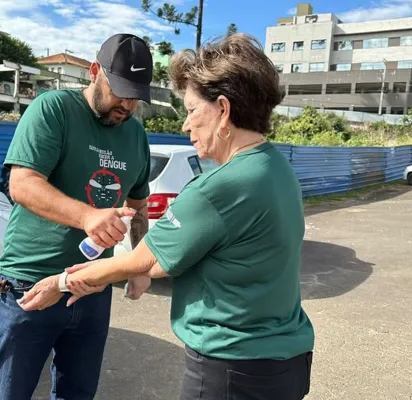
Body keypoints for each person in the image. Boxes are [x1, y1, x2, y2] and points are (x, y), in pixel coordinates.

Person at [19, 33, 315, 400]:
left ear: (222, 110)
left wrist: (59, 283)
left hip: (232, 367)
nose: (185, 126)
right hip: (285, 362)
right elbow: (160, 263)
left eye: (192, 110)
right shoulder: (277, 169)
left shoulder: (216, 188)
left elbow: (146, 261)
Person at [0, 33, 155, 400]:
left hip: (93, 288)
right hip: (31, 281)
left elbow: (139, 207)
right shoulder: (53, 109)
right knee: (6, 393)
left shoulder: (137, 137)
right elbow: (22, 184)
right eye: (120, 90)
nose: (126, 104)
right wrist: (88, 216)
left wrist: (140, 268)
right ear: (94, 72)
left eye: (136, 96)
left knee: (78, 394)